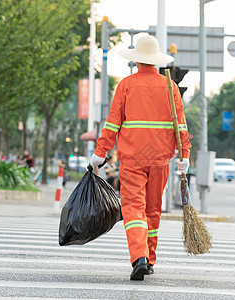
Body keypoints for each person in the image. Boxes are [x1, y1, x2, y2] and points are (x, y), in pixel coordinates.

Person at [89, 35, 191, 281]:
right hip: (159, 160)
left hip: (132, 159)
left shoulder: (126, 85)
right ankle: (150, 258)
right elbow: (181, 127)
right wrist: (184, 155)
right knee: (153, 210)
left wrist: (100, 153)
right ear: (155, 61)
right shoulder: (171, 87)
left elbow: (112, 124)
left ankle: (140, 257)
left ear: (136, 61)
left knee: (133, 208)